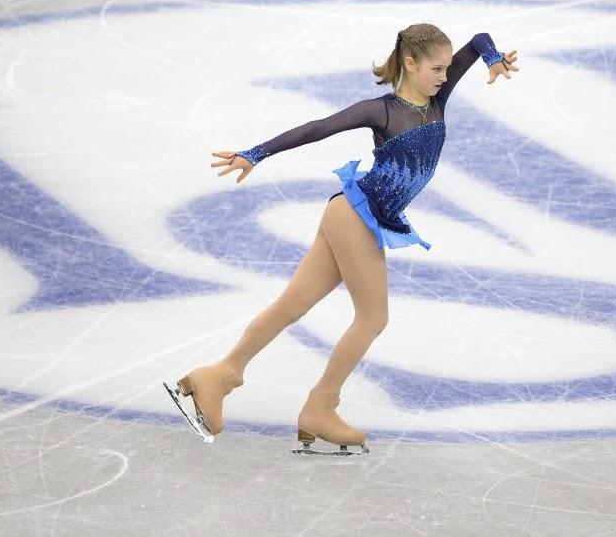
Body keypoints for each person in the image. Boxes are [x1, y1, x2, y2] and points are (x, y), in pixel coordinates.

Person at [166, 23, 518, 451]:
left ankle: (219, 376)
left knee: (292, 304)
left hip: (354, 215)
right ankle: (320, 406)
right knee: (373, 318)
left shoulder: (437, 99)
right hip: (356, 215)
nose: (445, 76)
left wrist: (493, 57)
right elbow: (318, 127)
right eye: (436, 69)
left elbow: (479, 39)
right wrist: (256, 153)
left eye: (447, 69)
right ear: (410, 64)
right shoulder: (383, 110)